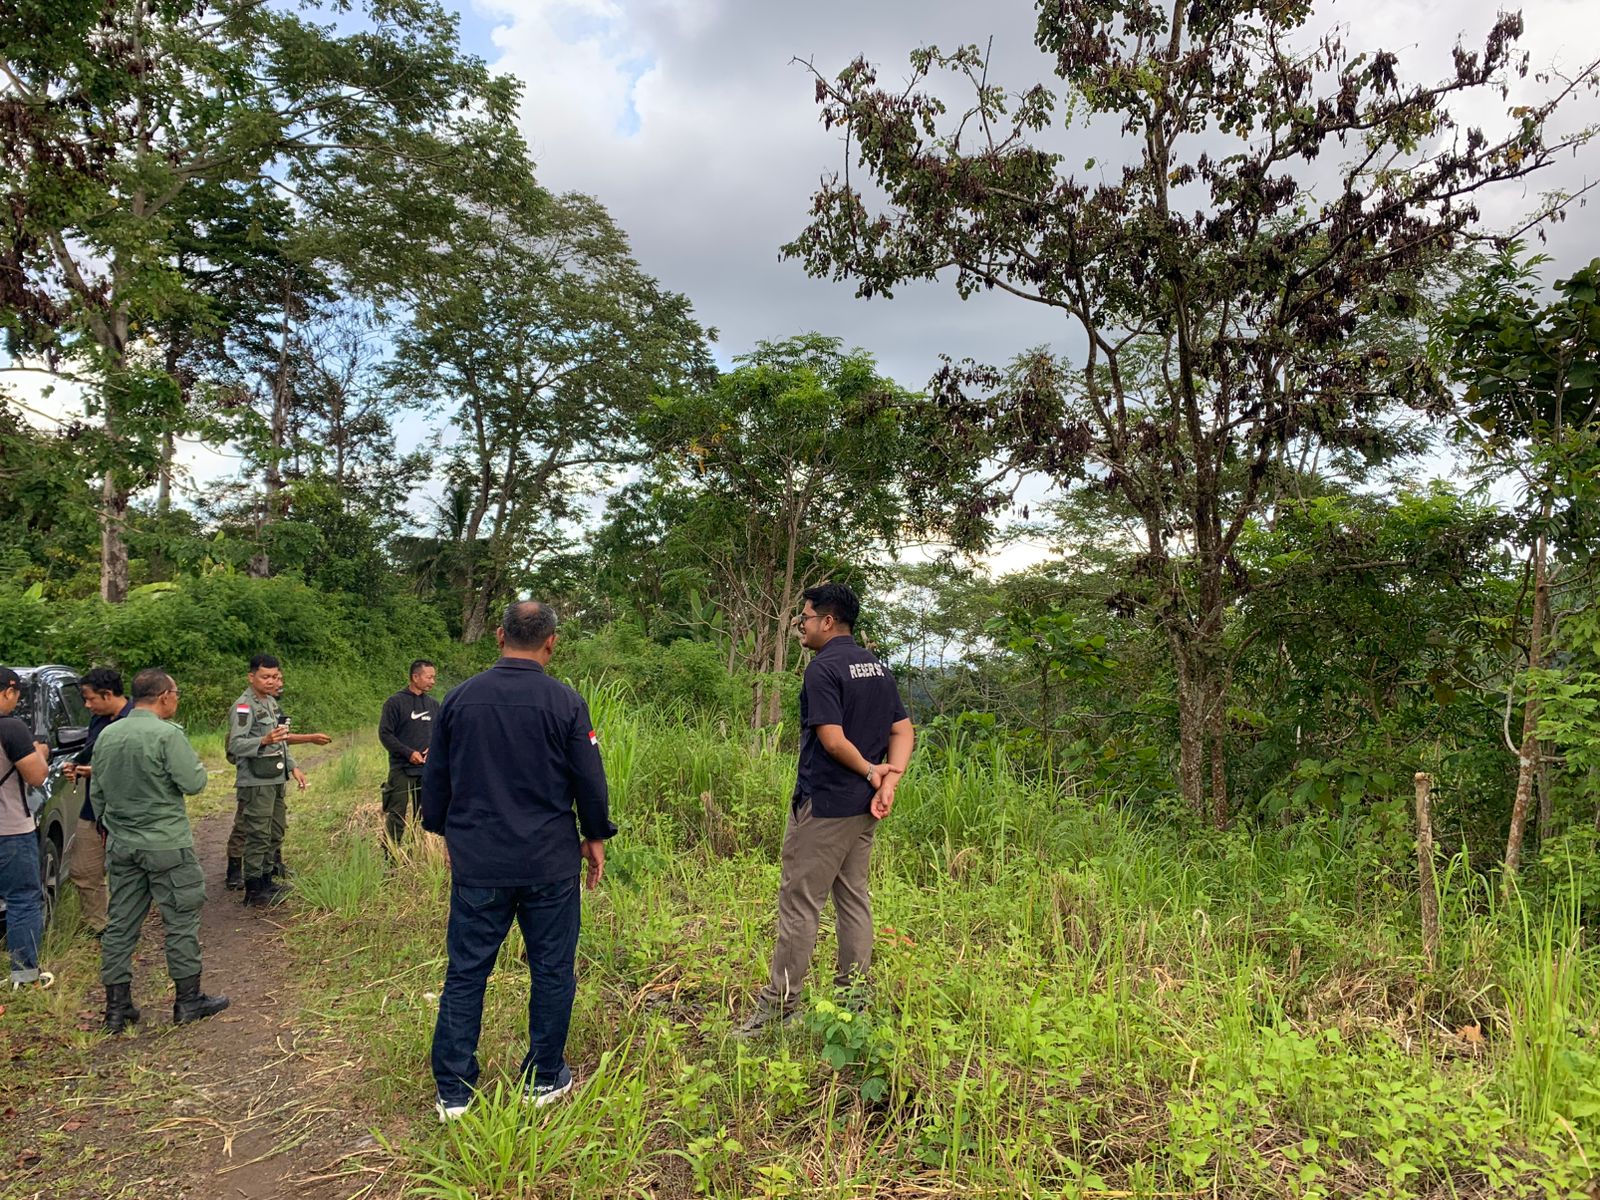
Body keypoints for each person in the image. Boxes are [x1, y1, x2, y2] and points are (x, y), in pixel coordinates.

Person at [422, 601, 614, 1122]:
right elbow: (589, 779)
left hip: (479, 861)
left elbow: (437, 778)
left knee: (467, 971)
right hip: (549, 862)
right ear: (551, 642)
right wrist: (596, 834)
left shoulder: (459, 699)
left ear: (499, 635)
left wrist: (444, 831)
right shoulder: (566, 702)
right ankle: (543, 1077)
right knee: (552, 969)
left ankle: (454, 1091)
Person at [737, 582, 914, 1037]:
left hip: (826, 806)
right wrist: (888, 779)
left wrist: (873, 772)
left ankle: (779, 1009)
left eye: (805, 618)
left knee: (800, 904)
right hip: (862, 810)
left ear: (828, 621)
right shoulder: (877, 667)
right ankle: (853, 1001)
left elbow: (832, 740)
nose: (801, 626)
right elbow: (903, 729)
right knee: (853, 899)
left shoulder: (823, 669)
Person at [91, 668, 228, 1032]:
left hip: (123, 844)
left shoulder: (108, 735)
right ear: (165, 696)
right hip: (167, 843)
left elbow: (97, 793)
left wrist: (114, 829)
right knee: (180, 920)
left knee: (120, 924)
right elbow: (193, 783)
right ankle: (188, 1001)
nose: (177, 700)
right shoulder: (168, 735)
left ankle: (116, 1009)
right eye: (176, 694)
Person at [223, 654, 331, 906]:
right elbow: (235, 744)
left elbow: (281, 741)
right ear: (251, 677)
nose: (271, 681)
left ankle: (267, 881)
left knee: (275, 831)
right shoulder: (244, 706)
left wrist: (293, 767)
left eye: (274, 676)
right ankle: (254, 889)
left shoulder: (270, 703)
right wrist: (263, 740)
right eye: (265, 677)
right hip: (256, 780)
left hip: (274, 777)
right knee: (257, 834)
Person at [63, 667, 135, 937]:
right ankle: (98, 926)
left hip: (127, 811)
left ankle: (126, 925)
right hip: (93, 808)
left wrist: (98, 771)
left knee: (127, 874)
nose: (87, 705)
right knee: (83, 869)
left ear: (107, 694)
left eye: (90, 698)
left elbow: (138, 767)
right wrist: (76, 765)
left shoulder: (137, 720)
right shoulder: (98, 720)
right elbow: (91, 753)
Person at [0, 666, 53, 990]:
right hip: (9, 830)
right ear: (8, 692)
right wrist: (40, 752)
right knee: (22, 898)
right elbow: (37, 775)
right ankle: (24, 974)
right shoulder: (11, 728)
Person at [377, 659, 440, 859]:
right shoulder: (395, 703)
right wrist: (408, 753)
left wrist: (433, 749)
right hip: (401, 769)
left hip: (426, 769)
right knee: (397, 814)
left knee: (424, 814)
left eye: (434, 677)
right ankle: (390, 858)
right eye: (429, 677)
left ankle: (418, 853)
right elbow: (385, 734)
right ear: (415, 677)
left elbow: (441, 733)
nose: (433, 681)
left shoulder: (433, 705)